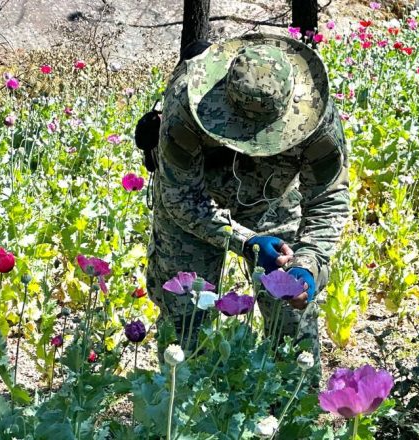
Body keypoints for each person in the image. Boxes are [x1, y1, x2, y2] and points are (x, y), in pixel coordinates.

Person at [145, 33, 350, 373]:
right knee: (185, 316)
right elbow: (180, 196)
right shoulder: (186, 101)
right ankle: (180, 415)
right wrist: (245, 240)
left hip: (273, 195)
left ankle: (292, 414)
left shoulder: (315, 113)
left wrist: (308, 263)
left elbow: (329, 197)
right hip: (199, 202)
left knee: (292, 313)